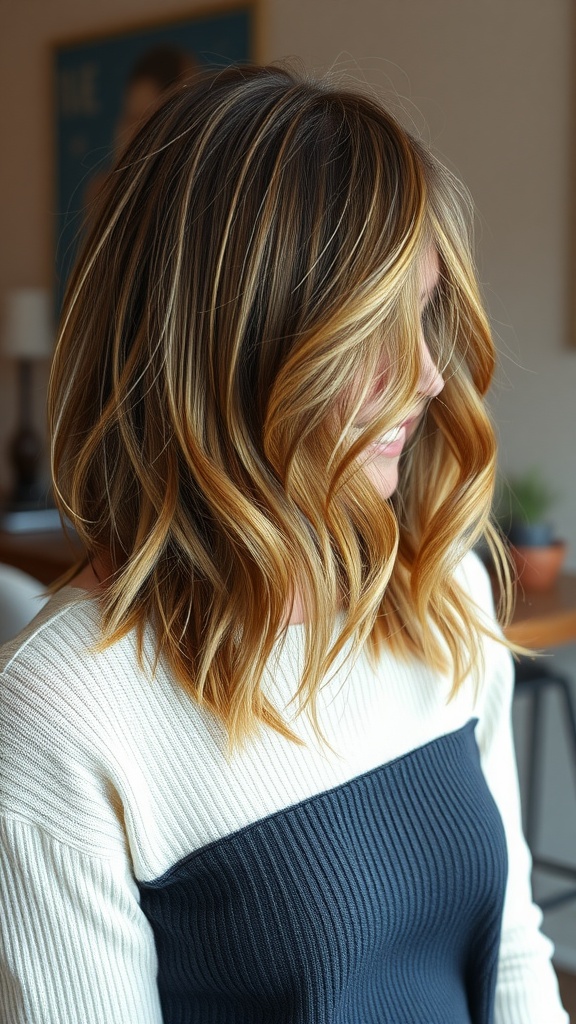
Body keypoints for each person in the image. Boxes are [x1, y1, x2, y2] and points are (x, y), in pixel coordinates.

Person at [0, 65, 568, 1024]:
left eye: (423, 315)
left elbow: (510, 947)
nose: (431, 377)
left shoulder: (442, 592)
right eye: (375, 331)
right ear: (242, 347)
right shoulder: (65, 710)